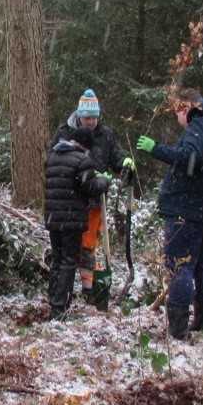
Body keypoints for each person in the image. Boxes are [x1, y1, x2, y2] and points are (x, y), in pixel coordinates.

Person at [136, 90, 203, 340]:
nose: (179, 120)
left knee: (179, 265)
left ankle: (178, 329)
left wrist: (156, 149)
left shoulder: (201, 125)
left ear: (185, 109)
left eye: (178, 114)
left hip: (188, 209)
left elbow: (190, 159)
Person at [51, 89, 135, 300]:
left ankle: (89, 288)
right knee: (68, 249)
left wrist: (124, 161)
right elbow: (56, 162)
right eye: (87, 117)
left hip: (96, 199)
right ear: (79, 116)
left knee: (88, 245)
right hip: (72, 199)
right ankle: (63, 291)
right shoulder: (64, 132)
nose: (90, 121)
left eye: (94, 117)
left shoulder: (105, 134)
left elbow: (115, 155)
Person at [43, 126, 112, 320]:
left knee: (57, 259)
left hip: (53, 218)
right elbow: (90, 187)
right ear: (86, 145)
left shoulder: (54, 157)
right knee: (68, 262)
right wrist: (104, 182)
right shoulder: (82, 160)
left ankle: (53, 299)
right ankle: (60, 308)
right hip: (71, 219)